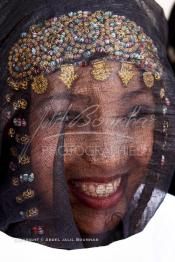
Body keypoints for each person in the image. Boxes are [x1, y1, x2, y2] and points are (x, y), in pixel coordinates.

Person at [0, 0, 175, 251]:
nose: (109, 158)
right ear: (12, 123)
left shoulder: (168, 235)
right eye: (67, 117)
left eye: (137, 112)